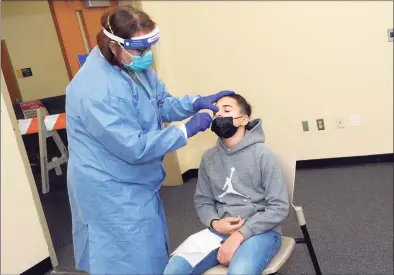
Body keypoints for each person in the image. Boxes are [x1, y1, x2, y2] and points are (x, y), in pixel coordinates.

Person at [65, 6, 234, 275]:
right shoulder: (94, 89)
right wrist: (185, 131)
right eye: (139, 49)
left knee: (149, 249)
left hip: (135, 181)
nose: (146, 55)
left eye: (149, 47)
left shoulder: (132, 64)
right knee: (124, 257)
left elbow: (161, 103)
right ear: (114, 45)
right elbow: (134, 147)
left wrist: (194, 102)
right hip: (108, 187)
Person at [164, 94, 290, 275]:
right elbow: (203, 201)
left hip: (261, 231)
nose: (219, 114)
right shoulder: (209, 158)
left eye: (226, 110)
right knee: (173, 270)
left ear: (244, 120)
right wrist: (215, 223)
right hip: (219, 230)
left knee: (239, 272)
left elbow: (278, 207)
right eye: (216, 111)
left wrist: (240, 235)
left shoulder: (264, 156)